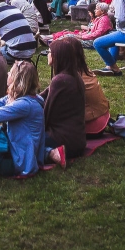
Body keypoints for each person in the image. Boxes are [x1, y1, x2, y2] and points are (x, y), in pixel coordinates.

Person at [40, 38, 87, 168]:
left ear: (56, 57)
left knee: (22, 139)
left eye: (50, 52)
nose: (48, 54)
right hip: (77, 139)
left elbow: (46, 115)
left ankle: (50, 154)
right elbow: (43, 95)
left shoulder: (60, 80)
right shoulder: (73, 76)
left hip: (63, 141)